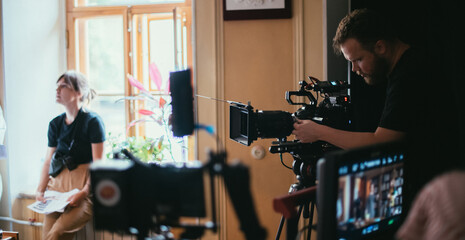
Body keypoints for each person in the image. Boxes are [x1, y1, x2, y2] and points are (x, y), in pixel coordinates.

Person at [292, 8, 427, 150]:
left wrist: (319, 132)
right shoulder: (411, 63)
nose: (354, 69)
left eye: (358, 60)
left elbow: (383, 142)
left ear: (380, 47)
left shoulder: (409, 76)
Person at [35, 70, 106, 240]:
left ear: (78, 92)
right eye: (57, 86)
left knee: (57, 234)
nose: (57, 90)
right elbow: (48, 161)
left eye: (63, 86)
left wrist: (84, 192)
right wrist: (40, 189)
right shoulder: (55, 124)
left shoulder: (93, 122)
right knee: (47, 235)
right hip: (58, 188)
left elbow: (99, 164)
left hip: (84, 188)